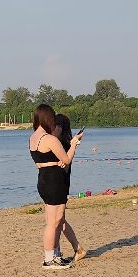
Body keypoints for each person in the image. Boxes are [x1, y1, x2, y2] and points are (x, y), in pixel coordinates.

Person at [29, 104, 81, 268]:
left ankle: (56, 254)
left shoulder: (33, 137)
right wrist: (73, 145)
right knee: (54, 221)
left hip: (44, 179)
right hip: (54, 181)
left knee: (55, 221)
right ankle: (49, 258)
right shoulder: (49, 138)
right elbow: (66, 160)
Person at [52, 114, 86, 261]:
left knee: (59, 220)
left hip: (59, 182)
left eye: (56, 125)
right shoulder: (66, 142)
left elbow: (65, 164)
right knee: (60, 220)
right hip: (61, 181)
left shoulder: (61, 143)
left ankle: (62, 250)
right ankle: (76, 248)